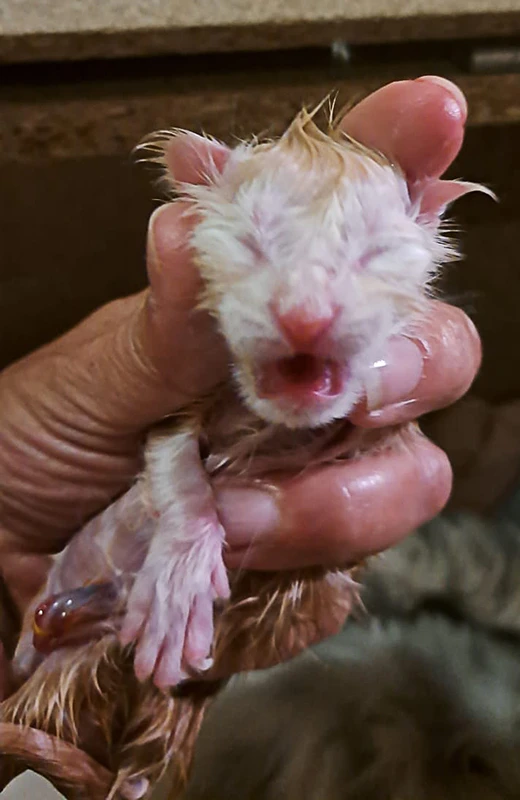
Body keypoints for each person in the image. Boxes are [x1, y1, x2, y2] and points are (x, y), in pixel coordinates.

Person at [0, 76, 481, 620]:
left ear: (431, 226)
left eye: (373, 257)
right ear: (193, 208)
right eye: (252, 248)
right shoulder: (184, 371)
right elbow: (170, 432)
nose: (307, 313)